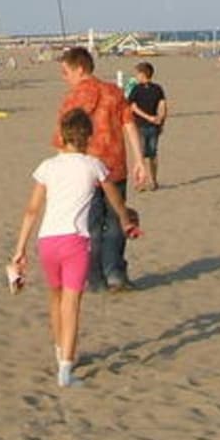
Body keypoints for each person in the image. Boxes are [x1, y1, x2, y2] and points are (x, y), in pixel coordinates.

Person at [9, 107, 138, 389]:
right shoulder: (94, 165)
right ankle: (66, 370)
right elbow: (114, 199)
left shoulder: (47, 167)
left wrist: (20, 249)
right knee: (72, 304)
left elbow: (32, 210)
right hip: (75, 241)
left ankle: (60, 351)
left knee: (55, 298)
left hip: (47, 241)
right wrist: (125, 219)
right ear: (88, 137)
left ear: (62, 136)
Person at [54, 46, 144, 292]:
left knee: (91, 227)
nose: (64, 77)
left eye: (66, 72)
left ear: (80, 69)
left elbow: (62, 141)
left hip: (85, 173)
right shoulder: (113, 92)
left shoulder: (72, 99)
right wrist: (139, 160)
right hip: (115, 168)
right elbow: (129, 125)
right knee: (117, 222)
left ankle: (96, 278)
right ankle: (114, 274)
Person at [126, 62, 169, 191]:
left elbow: (133, 107)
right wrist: (160, 120)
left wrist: (149, 118)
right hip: (153, 125)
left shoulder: (137, 89)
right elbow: (163, 106)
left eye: (137, 74)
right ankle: (153, 181)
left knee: (141, 155)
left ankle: (141, 183)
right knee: (152, 154)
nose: (136, 76)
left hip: (141, 125)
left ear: (143, 74)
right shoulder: (158, 88)